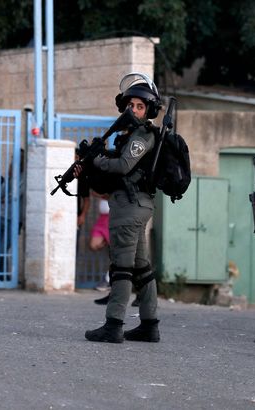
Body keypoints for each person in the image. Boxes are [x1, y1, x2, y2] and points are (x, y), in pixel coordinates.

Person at [78, 72, 162, 343]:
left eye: (139, 106)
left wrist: (98, 160)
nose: (133, 110)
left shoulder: (142, 135)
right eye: (130, 105)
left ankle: (113, 325)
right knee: (141, 267)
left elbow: (123, 166)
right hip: (133, 206)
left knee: (121, 267)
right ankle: (149, 325)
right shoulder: (127, 135)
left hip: (130, 207)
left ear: (148, 110)